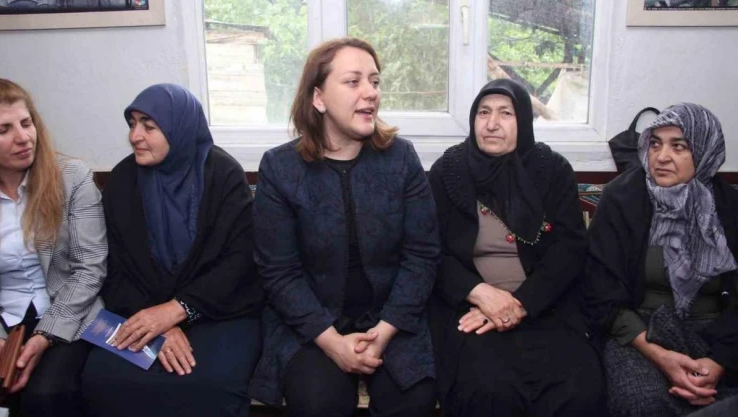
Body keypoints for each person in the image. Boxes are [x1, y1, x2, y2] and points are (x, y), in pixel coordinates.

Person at [248, 38, 440, 417]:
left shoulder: (401, 158)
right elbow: (279, 272)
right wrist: (332, 342)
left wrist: (385, 331)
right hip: (311, 325)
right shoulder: (280, 168)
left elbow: (422, 256)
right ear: (318, 98)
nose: (370, 92)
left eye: (375, 81)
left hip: (392, 318)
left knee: (412, 401)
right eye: (353, 82)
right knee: (319, 404)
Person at [81, 83, 263, 417]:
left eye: (149, 126)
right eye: (132, 124)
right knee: (103, 378)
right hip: (141, 308)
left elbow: (240, 263)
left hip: (218, 310)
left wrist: (178, 309)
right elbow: (113, 268)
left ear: (180, 129)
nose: (135, 136)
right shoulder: (123, 180)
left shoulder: (222, 174)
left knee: (209, 383)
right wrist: (158, 320)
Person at [428, 78, 604, 417]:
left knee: (578, 388)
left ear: (523, 119)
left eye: (505, 113)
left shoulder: (552, 170)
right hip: (471, 310)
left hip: (546, 306)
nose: (492, 123)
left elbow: (569, 250)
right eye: (483, 112)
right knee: (489, 390)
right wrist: (481, 294)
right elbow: (431, 251)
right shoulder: (449, 171)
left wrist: (521, 303)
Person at [585, 103, 738, 416]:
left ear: (705, 151)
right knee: (641, 404)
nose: (661, 156)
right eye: (655, 144)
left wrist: (719, 362)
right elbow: (600, 290)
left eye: (678, 146)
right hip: (640, 331)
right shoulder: (621, 198)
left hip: (720, 332)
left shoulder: (730, 207)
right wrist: (659, 355)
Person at [0, 78, 106, 416]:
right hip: (5, 318)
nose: (23, 137)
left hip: (67, 313)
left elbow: (90, 269)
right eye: (3, 130)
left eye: (26, 123)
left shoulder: (72, 177)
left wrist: (45, 335)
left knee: (45, 395)